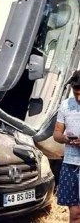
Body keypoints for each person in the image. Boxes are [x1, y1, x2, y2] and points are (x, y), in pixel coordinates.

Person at [53, 70, 80, 223]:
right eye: (76, 93)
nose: (79, 97)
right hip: (70, 164)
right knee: (75, 213)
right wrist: (65, 138)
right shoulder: (65, 105)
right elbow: (56, 133)